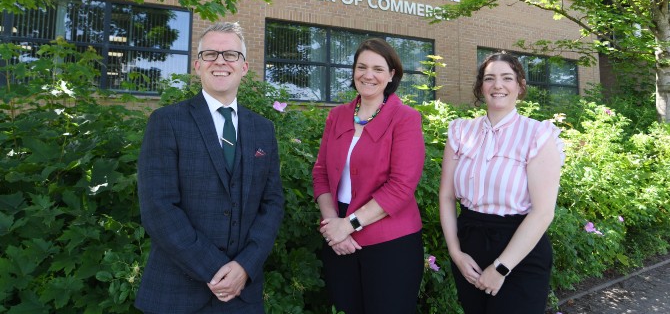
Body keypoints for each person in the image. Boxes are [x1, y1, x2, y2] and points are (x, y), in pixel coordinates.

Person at [135, 22, 284, 314]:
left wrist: (244, 267)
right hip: (178, 294)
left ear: (244, 67)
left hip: (242, 296)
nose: (220, 61)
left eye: (230, 54)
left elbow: (272, 203)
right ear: (197, 65)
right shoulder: (166, 122)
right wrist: (217, 270)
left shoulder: (263, 129)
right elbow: (158, 208)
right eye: (211, 54)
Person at [439, 52, 564, 314]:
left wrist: (501, 267)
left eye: (507, 78)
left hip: (520, 251)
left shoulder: (538, 135)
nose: (498, 85)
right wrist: (456, 253)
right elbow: (447, 197)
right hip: (469, 247)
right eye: (489, 78)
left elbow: (543, 213)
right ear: (480, 86)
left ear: (520, 86)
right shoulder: (460, 132)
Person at [312, 38, 426, 314]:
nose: (368, 75)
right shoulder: (337, 116)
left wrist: (347, 226)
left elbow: (401, 187)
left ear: (391, 75)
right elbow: (321, 173)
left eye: (377, 68)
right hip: (339, 239)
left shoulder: (405, 118)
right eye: (362, 67)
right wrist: (332, 227)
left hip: (390, 244)